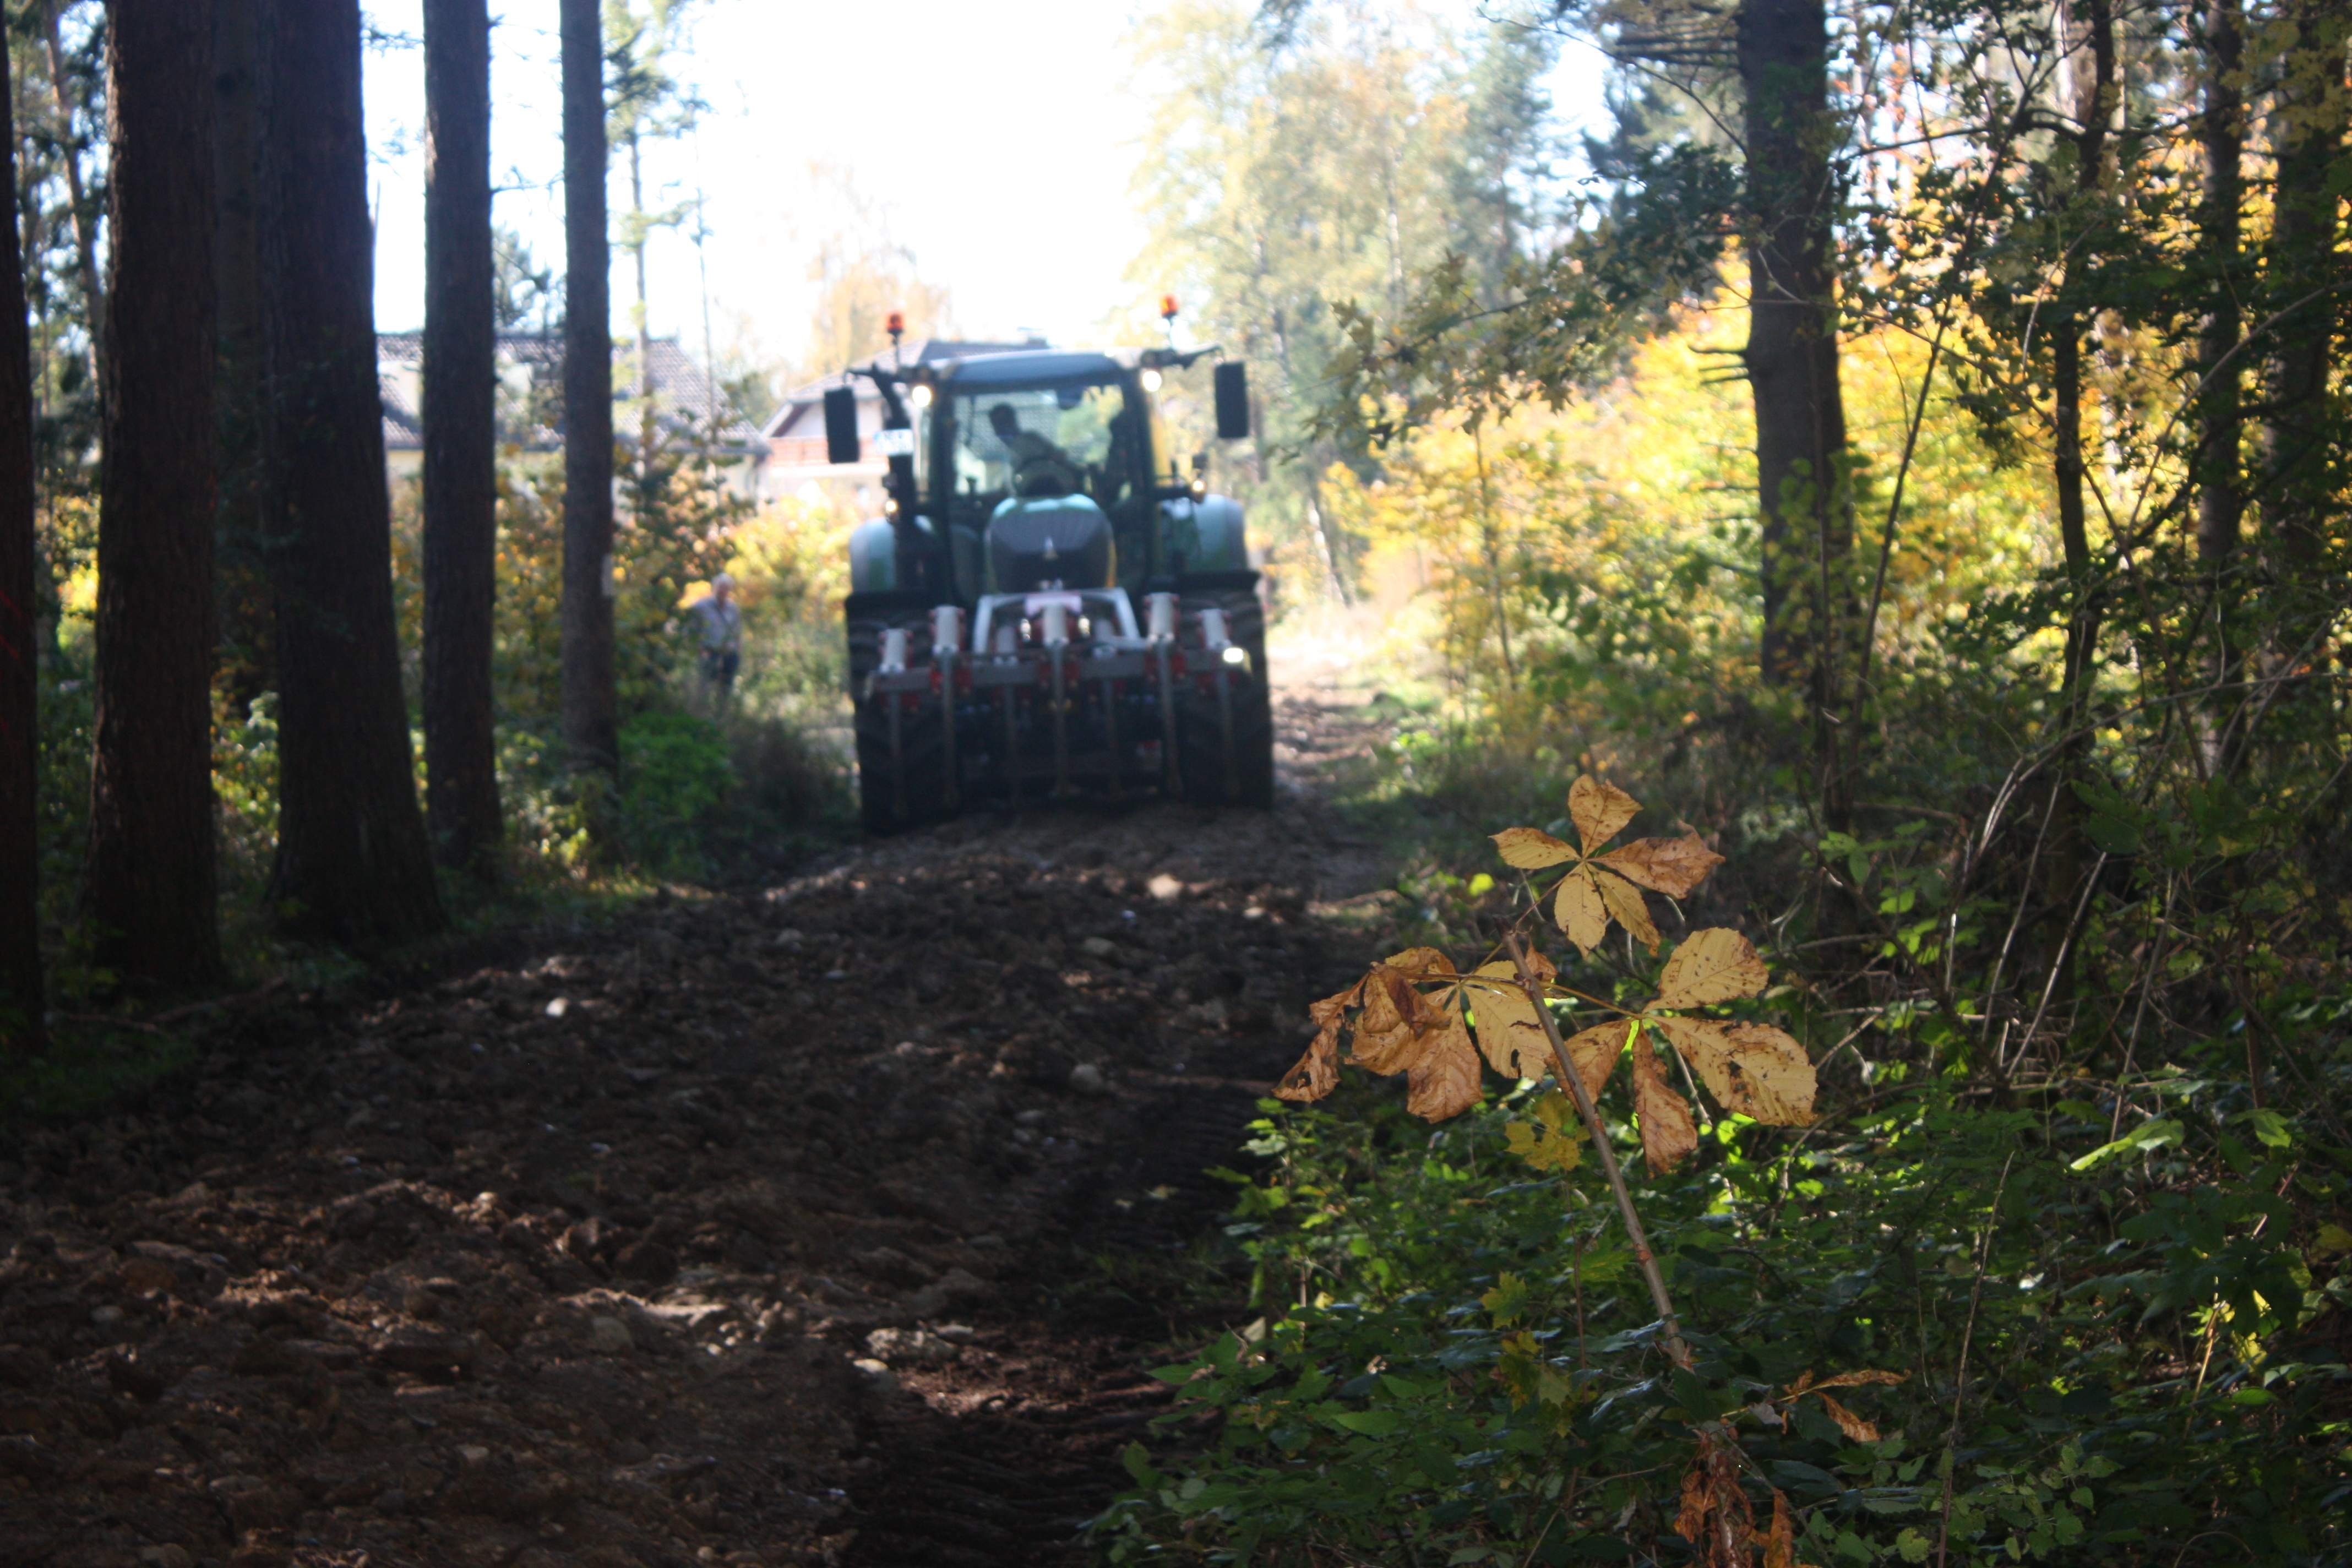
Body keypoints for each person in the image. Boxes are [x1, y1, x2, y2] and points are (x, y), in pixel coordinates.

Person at [987, 402, 1082, 495]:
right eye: (996, 425)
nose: (999, 430)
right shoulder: (1005, 453)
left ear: (1013, 421)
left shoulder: (1031, 440)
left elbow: (1058, 459)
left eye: (1004, 422)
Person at [690, 573, 742, 700]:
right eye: (721, 587)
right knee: (705, 685)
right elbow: (693, 630)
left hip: (729, 654)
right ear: (715, 588)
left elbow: (738, 633)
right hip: (708, 652)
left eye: (726, 588)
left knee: (725, 688)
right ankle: (700, 714)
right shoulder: (701, 606)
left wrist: (738, 651)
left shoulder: (733, 609)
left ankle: (721, 714)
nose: (723, 591)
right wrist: (699, 648)